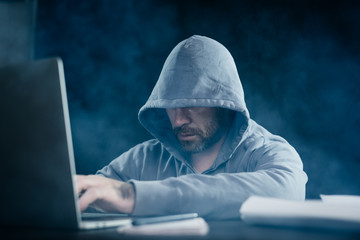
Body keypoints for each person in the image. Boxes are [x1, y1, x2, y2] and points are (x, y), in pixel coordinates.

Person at [77, 35, 308, 220]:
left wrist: (132, 195)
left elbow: (287, 193)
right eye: (171, 106)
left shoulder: (266, 152)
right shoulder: (143, 159)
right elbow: (84, 198)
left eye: (193, 105)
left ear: (224, 104)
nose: (178, 121)